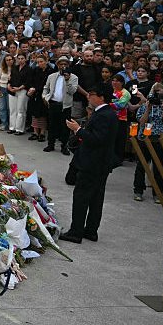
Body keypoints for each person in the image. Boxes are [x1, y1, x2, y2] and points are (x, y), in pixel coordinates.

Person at [61, 84, 119, 243]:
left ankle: (76, 231)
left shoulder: (104, 115)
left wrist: (78, 130)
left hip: (92, 163)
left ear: (101, 97)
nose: (88, 96)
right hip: (100, 163)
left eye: (92, 94)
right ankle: (91, 230)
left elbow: (97, 139)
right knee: (96, 198)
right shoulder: (105, 113)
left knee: (82, 197)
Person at [43, 56, 78, 154]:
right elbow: (46, 88)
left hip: (65, 105)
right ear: (58, 65)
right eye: (61, 64)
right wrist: (44, 97)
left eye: (65, 64)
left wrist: (67, 80)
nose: (63, 66)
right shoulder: (52, 76)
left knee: (65, 127)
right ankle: (51, 144)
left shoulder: (74, 77)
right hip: (53, 103)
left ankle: (64, 146)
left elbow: (72, 91)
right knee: (52, 125)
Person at [7, 53, 30, 135]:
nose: (20, 60)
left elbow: (28, 81)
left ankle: (19, 129)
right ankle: (12, 127)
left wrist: (19, 88)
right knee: (12, 109)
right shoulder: (15, 68)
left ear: (25, 59)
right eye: (19, 58)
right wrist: (9, 86)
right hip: (12, 90)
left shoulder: (28, 69)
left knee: (21, 110)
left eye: (22, 58)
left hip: (22, 90)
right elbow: (10, 79)